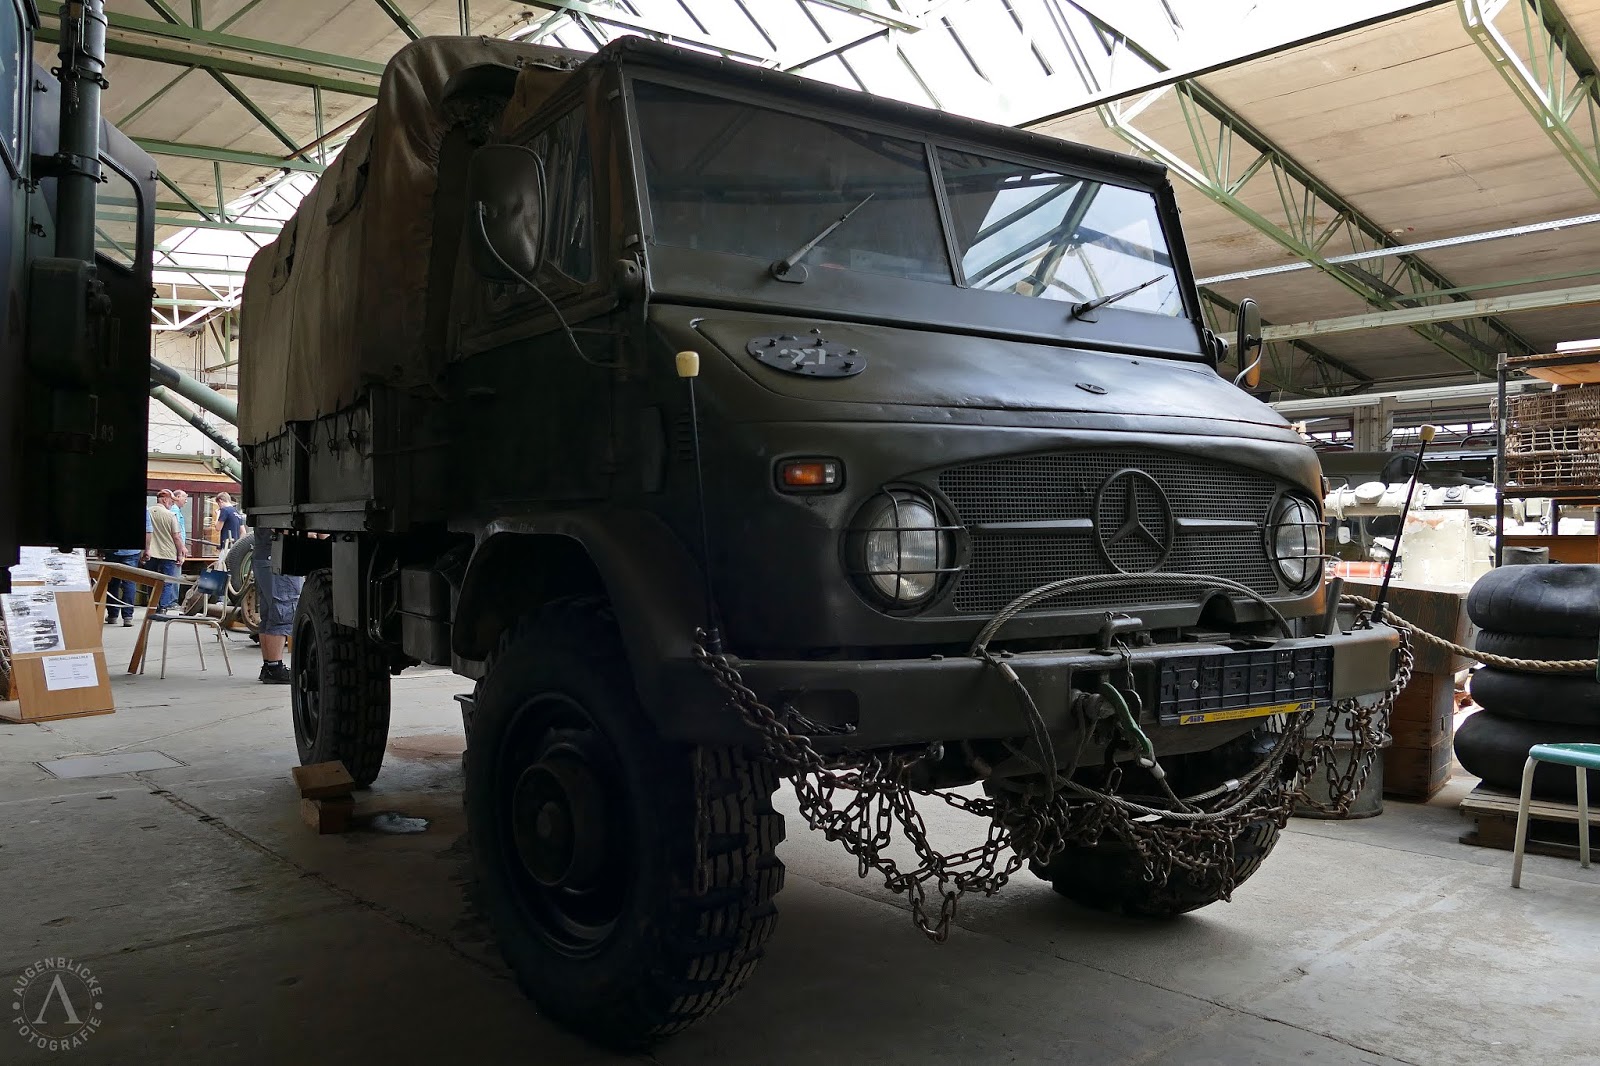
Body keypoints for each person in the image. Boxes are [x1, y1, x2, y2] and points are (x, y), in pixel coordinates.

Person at [251, 526, 302, 685]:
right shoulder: (279, 507)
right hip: (279, 557)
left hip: (264, 556)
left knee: (268, 614)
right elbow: (282, 528)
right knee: (282, 611)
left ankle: (269, 665)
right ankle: (275, 667)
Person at [143, 489, 184, 614]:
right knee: (167, 582)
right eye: (171, 501)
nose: (171, 504)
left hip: (151, 552)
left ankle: (153, 606)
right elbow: (176, 537)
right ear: (165, 500)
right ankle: (163, 608)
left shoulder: (147, 512)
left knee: (151, 581)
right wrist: (180, 553)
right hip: (168, 554)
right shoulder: (170, 515)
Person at [103, 546, 142, 626]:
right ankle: (127, 617)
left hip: (112, 552)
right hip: (131, 552)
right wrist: (147, 549)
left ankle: (112, 615)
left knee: (112, 583)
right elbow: (148, 533)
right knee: (129, 583)